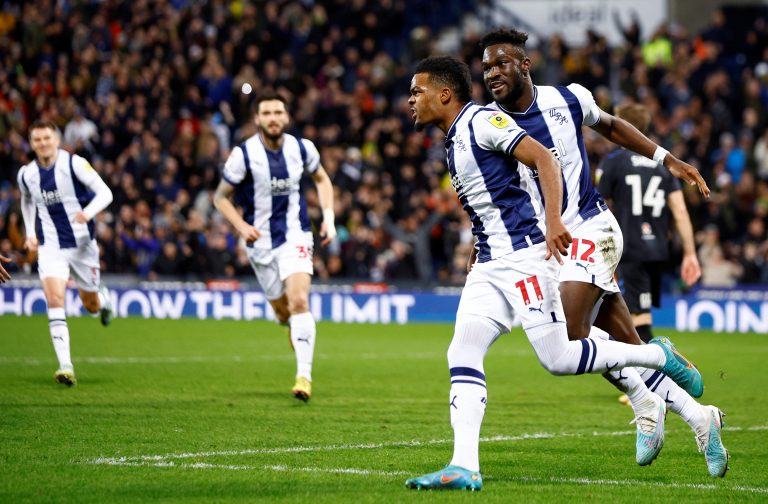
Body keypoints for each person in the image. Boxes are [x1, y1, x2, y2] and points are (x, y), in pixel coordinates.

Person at [404, 56, 703, 491]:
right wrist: (479, 244)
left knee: (559, 358)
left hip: (524, 258)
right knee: (462, 350)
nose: (411, 100)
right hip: (489, 265)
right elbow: (496, 198)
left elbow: (544, 158)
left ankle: (657, 357)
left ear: (444, 94)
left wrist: (554, 221)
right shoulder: (454, 137)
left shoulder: (483, 122)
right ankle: (463, 466)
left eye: (417, 91)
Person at [479, 28, 727, 477]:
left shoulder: (568, 98)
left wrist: (666, 158)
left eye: (501, 63)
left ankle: (648, 390)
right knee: (621, 345)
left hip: (592, 229)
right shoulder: (488, 124)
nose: (492, 73)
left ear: (525, 65)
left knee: (573, 335)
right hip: (551, 246)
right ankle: (699, 417)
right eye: (486, 67)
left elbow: (611, 126)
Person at [214, 92, 336, 402]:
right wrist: (241, 226)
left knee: (299, 300)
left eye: (278, 112)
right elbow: (220, 198)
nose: (273, 118)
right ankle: (290, 324)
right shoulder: (243, 155)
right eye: (266, 113)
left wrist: (329, 217)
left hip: (296, 234)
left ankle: (304, 377)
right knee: (283, 312)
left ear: (286, 117)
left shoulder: (302, 148)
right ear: (257, 119)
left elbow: (322, 179)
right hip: (260, 242)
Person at [17, 120, 114, 387]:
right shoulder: (27, 174)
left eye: (46, 138)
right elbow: (26, 199)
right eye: (37, 139)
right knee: (55, 298)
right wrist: (30, 233)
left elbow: (106, 193)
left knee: (90, 305)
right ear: (32, 143)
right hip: (51, 246)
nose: (42, 143)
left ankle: (103, 301)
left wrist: (88, 213)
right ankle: (65, 366)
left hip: (83, 246)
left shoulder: (74, 164)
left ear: (57, 140)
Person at [597, 103, 702, 344]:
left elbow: (599, 205)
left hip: (627, 248)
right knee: (636, 315)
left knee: (634, 323)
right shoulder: (664, 164)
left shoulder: (613, 161)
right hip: (656, 251)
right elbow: (680, 211)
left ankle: (662, 363)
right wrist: (690, 253)